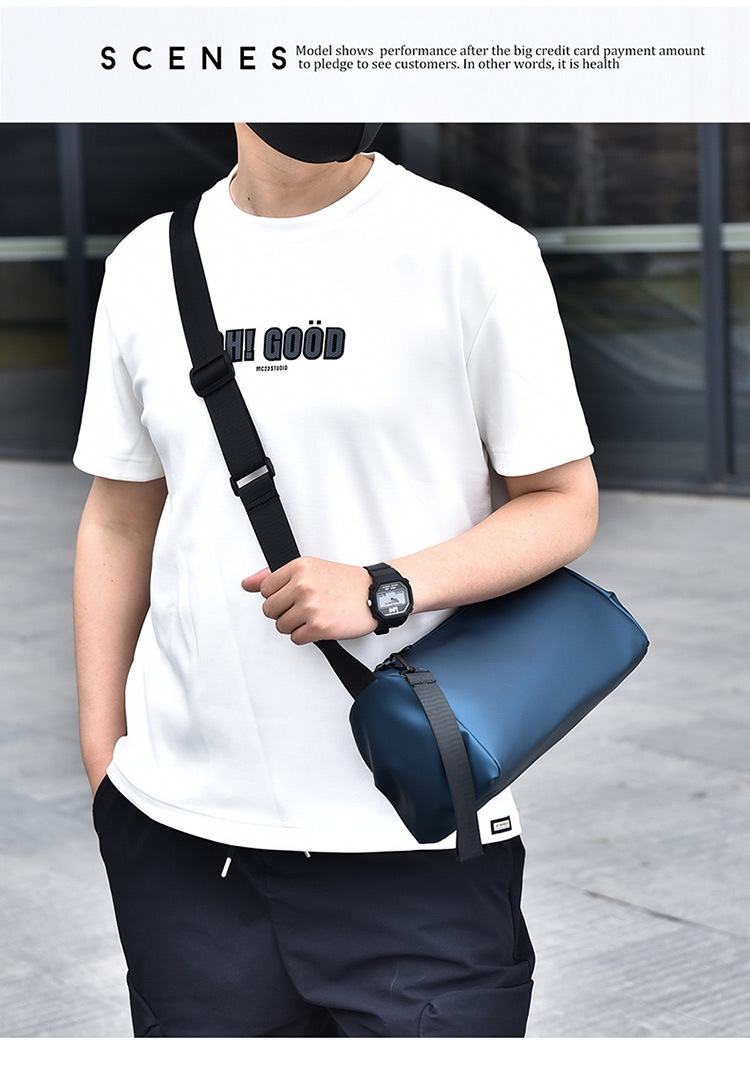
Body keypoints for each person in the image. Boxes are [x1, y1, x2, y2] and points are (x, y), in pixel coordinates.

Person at [72, 122, 598, 1038]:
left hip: (414, 834)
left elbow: (563, 503)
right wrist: (104, 760)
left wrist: (385, 585)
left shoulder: (474, 249)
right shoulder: (146, 264)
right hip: (184, 844)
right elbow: (118, 516)